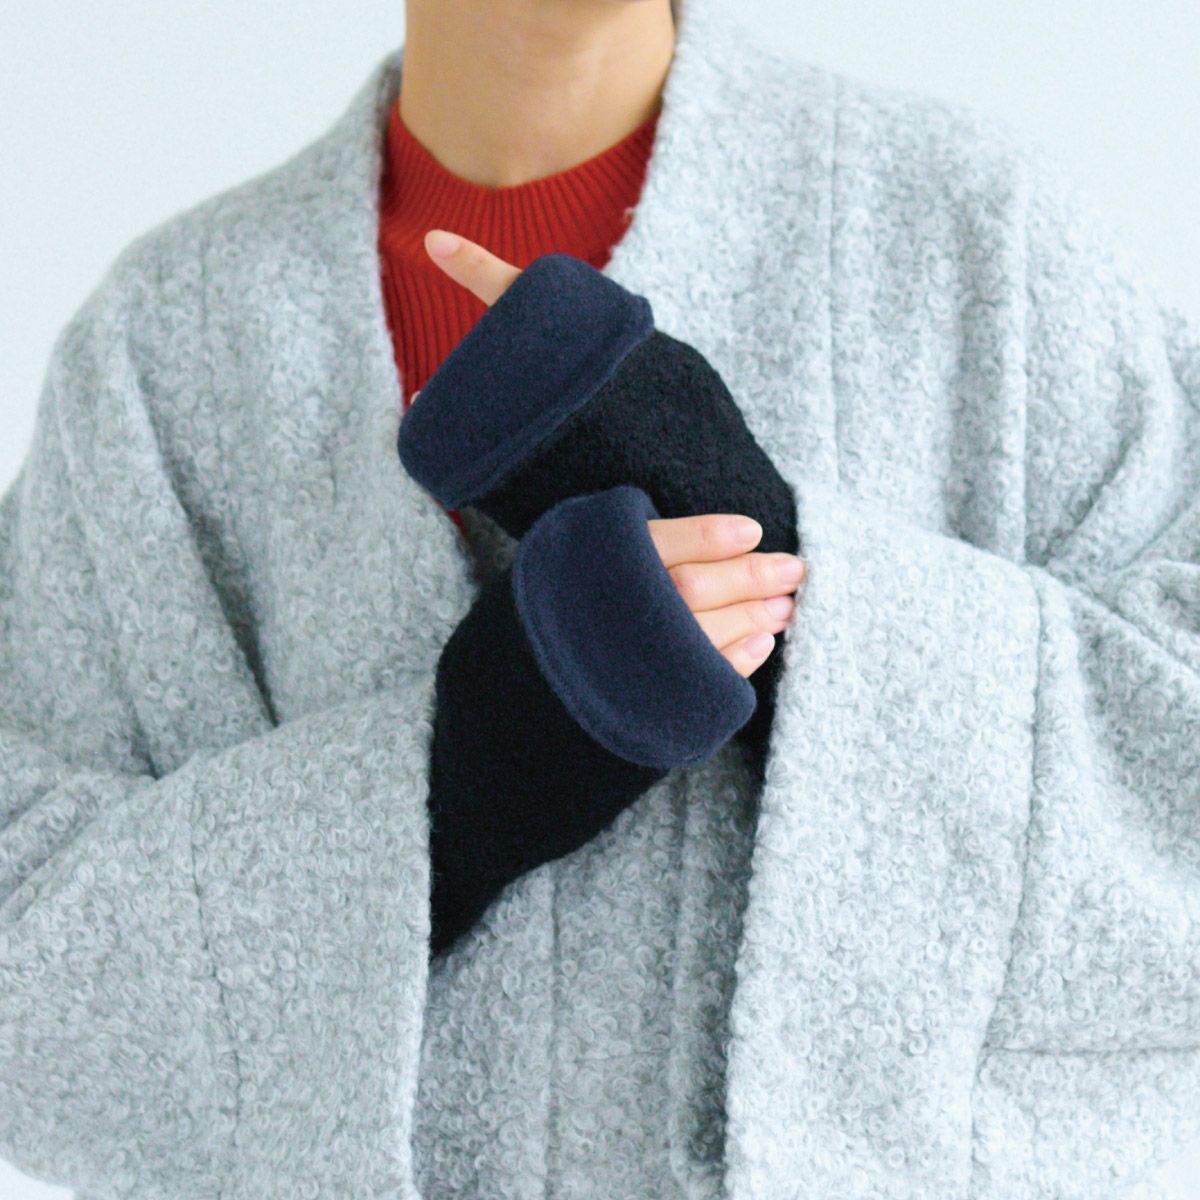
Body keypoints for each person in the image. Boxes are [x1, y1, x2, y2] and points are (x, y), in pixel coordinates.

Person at [2, 0, 1198, 1197]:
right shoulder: (156, 352)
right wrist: (472, 776)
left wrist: (787, 588)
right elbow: (30, 984)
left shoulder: (976, 232)